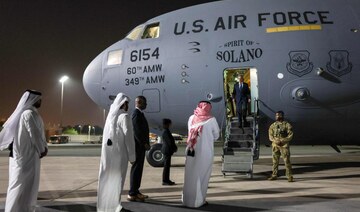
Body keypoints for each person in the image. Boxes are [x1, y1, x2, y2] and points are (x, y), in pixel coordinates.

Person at [0, 90, 48, 212]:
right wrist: (42, 149)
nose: (40, 101)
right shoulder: (28, 114)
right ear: (33, 100)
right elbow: (35, 134)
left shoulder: (31, 113)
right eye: (39, 99)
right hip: (25, 157)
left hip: (28, 156)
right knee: (19, 185)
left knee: (26, 186)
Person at [97, 93, 135, 212]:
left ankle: (105, 206)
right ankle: (115, 207)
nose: (128, 106)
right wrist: (132, 156)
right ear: (123, 104)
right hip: (120, 154)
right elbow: (129, 138)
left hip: (108, 155)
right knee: (118, 180)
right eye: (127, 103)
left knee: (107, 179)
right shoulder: (124, 117)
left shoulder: (110, 116)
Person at [182, 101, 220, 208]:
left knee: (190, 175)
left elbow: (189, 131)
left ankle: (187, 200)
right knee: (203, 175)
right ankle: (199, 201)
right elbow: (216, 135)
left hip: (191, 150)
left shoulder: (191, 118)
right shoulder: (211, 120)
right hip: (205, 152)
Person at [127, 96, 150, 202]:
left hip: (140, 146)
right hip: (138, 147)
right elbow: (137, 131)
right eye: (145, 103)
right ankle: (132, 193)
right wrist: (144, 143)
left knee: (139, 169)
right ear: (139, 102)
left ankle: (136, 191)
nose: (146, 104)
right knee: (136, 169)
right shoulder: (136, 114)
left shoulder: (140, 113)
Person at [268, 111, 294, 182]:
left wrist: (283, 140)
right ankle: (274, 175)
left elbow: (290, 135)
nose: (277, 116)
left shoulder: (287, 125)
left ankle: (289, 176)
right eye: (276, 115)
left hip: (284, 145)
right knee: (275, 161)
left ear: (282, 116)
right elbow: (270, 135)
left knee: (287, 161)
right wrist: (274, 140)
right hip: (275, 145)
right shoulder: (272, 125)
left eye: (279, 115)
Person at [161, 118, 177, 186]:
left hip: (167, 150)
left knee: (167, 166)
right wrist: (174, 148)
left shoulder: (166, 131)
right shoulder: (166, 131)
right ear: (167, 124)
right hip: (167, 151)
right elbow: (169, 142)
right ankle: (165, 180)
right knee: (166, 166)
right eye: (169, 123)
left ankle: (167, 179)